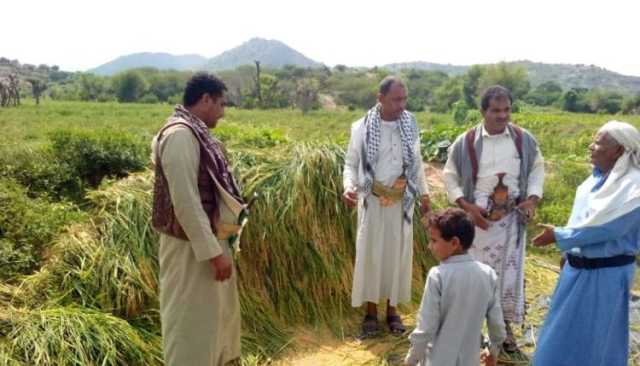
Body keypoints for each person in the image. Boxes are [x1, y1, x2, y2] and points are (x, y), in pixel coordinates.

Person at [151, 73, 244, 365]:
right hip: (190, 250)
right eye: (220, 104)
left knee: (213, 323)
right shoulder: (180, 135)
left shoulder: (193, 132)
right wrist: (214, 254)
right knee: (190, 327)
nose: (223, 111)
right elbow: (186, 203)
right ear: (205, 99)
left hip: (204, 244)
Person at [443, 85, 544, 351]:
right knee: (474, 276)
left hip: (511, 222)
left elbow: (536, 170)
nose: (502, 116)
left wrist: (532, 199)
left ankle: (504, 331)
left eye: (507, 110)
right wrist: (466, 206)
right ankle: (471, 330)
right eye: (496, 110)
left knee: (508, 278)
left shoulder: (524, 140)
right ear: (483, 111)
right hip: (476, 223)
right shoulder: (465, 142)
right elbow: (450, 175)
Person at [532, 121, 640, 366]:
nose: (591, 147)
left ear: (619, 151)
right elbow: (582, 219)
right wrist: (568, 250)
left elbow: (609, 227)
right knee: (558, 335)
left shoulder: (634, 187)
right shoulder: (592, 181)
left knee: (596, 340)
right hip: (575, 270)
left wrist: (560, 237)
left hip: (606, 276)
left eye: (599, 142)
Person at [343, 76, 431, 336]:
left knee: (397, 255)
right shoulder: (361, 127)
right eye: (396, 100)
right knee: (371, 253)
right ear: (380, 98)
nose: (401, 105)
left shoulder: (410, 124)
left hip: (401, 203)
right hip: (371, 201)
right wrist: (348, 186)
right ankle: (371, 312)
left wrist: (424, 197)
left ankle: (393, 311)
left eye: (404, 99)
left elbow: (416, 164)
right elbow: (351, 162)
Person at [405, 208, 506, 366]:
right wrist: (493, 351)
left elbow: (426, 328)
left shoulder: (438, 275)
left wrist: (411, 360)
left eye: (434, 240)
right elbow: (497, 325)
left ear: (454, 243)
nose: (429, 246)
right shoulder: (488, 274)